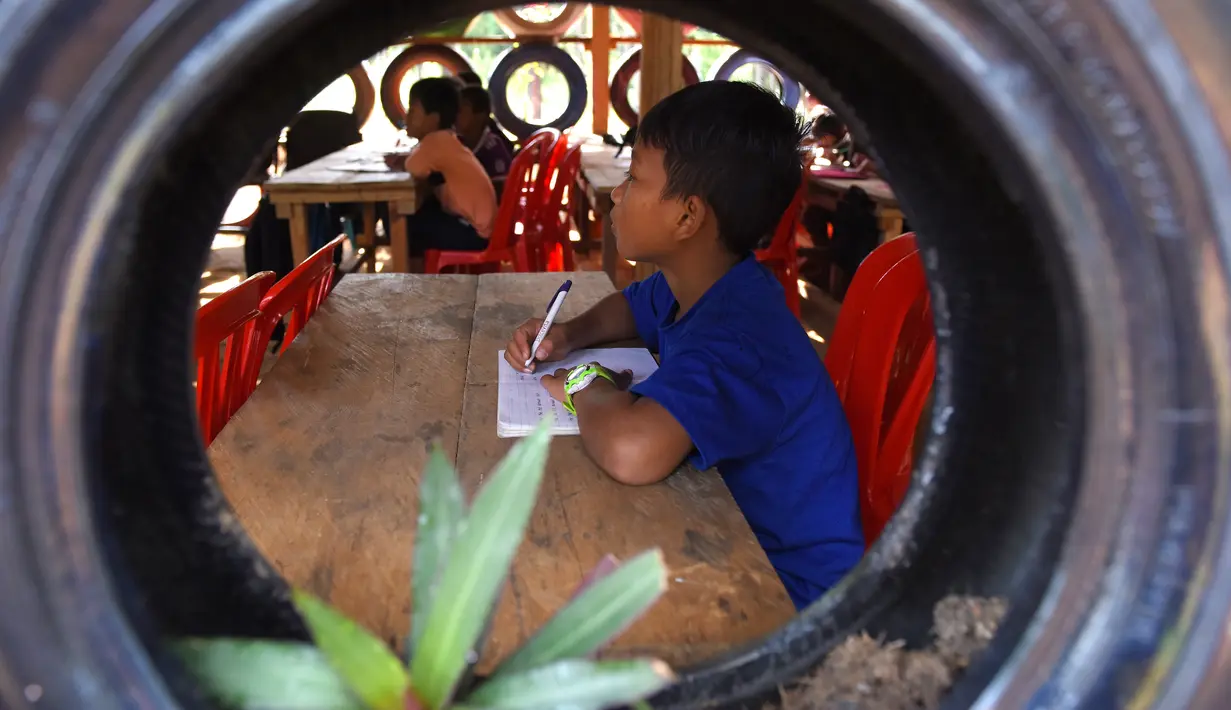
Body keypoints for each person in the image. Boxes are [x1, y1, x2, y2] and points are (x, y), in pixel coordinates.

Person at [502, 81, 864, 609]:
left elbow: (631, 449)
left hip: (790, 595)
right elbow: (631, 305)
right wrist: (567, 335)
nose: (615, 194)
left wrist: (587, 383)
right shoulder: (703, 285)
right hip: (728, 529)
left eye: (633, 179)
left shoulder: (741, 339)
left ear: (688, 217)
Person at [384, 77, 497, 263]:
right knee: (417, 212)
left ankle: (406, 269)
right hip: (480, 228)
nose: (407, 116)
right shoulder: (446, 139)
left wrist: (401, 161)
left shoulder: (434, 142)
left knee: (399, 220)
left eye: (413, 110)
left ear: (433, 119)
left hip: (474, 234)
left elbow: (414, 167)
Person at [457, 85, 513, 197]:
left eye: (462, 110)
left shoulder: (493, 148)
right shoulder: (459, 142)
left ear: (480, 115)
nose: (456, 115)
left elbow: (500, 190)